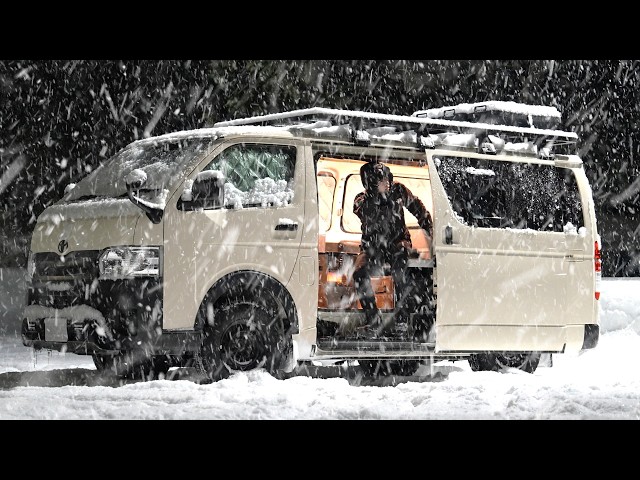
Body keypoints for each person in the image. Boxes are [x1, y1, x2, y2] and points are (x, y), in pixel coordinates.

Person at [352, 160, 433, 338]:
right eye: (379, 179)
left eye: (386, 177)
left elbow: (418, 209)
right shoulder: (361, 200)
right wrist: (379, 197)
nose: (386, 182)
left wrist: (431, 230)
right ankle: (374, 321)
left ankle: (402, 320)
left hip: (398, 244)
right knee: (359, 274)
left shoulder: (399, 191)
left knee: (401, 267)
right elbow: (365, 213)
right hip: (373, 250)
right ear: (370, 183)